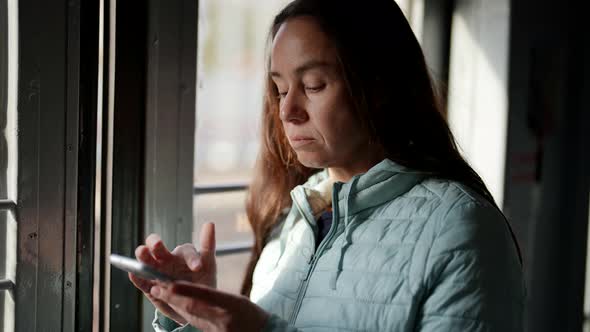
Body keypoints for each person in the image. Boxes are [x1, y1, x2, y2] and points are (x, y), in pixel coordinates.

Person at [130, 0, 525, 331]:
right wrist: (196, 316)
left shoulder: (460, 230)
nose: (286, 110)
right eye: (280, 89)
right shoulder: (292, 222)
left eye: (314, 85)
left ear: (379, 85)